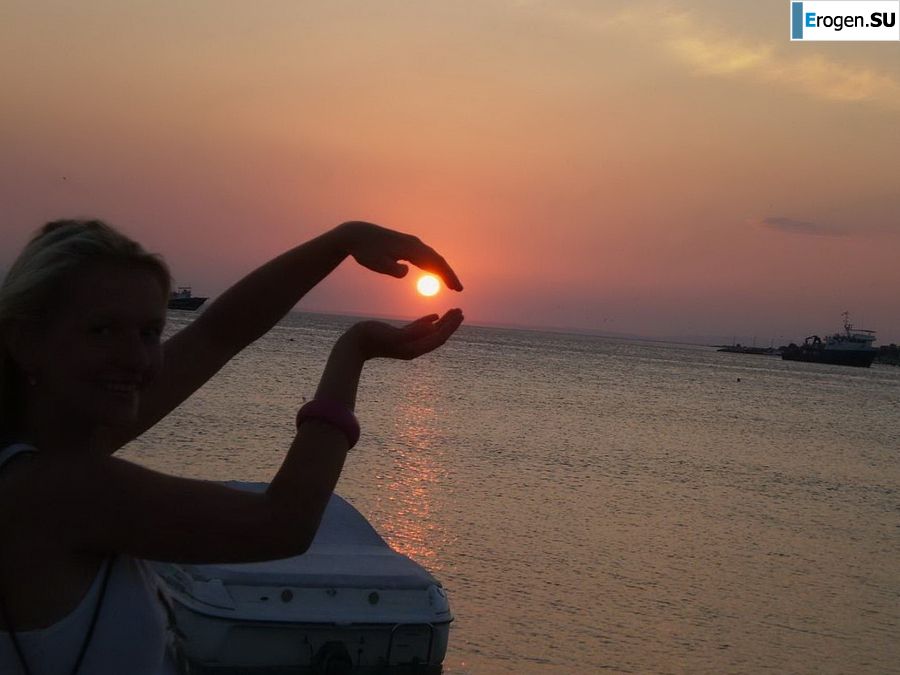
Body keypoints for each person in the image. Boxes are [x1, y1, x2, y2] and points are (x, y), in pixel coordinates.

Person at [0, 219, 464, 674]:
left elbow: (216, 333)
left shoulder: (34, 450)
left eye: (149, 332)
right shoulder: (58, 492)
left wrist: (342, 242)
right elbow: (282, 524)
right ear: (25, 340)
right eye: (102, 330)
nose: (136, 358)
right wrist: (353, 352)